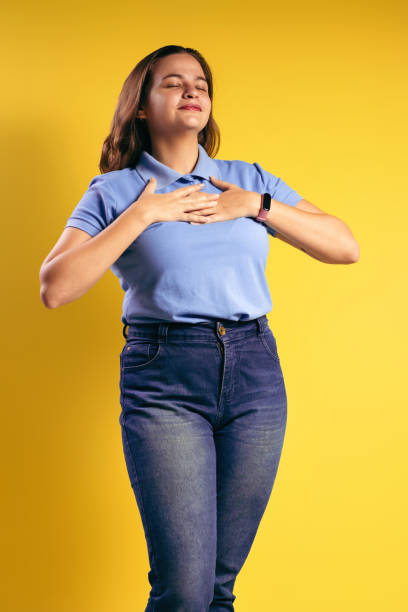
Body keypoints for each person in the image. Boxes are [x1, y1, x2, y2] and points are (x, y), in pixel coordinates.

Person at [39, 45, 360, 611]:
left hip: (254, 373)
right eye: (172, 83)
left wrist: (257, 206)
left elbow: (344, 247)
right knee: (184, 591)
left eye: (201, 83)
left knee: (217, 586)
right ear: (140, 106)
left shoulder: (246, 180)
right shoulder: (115, 191)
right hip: (164, 377)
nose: (191, 91)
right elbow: (56, 287)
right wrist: (144, 215)